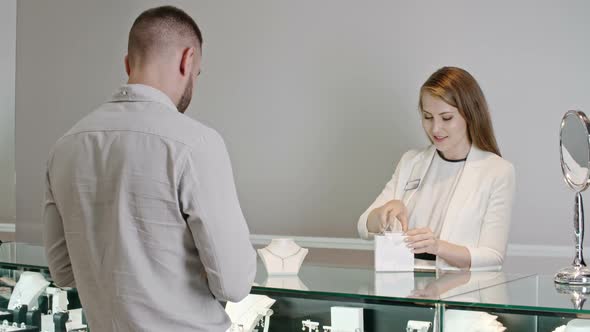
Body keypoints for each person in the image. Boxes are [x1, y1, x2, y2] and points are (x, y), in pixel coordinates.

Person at [43, 6, 256, 331]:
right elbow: (235, 284)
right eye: (196, 74)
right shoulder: (196, 144)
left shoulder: (65, 147)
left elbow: (63, 272)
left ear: (128, 64)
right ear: (188, 60)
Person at [358, 66, 515, 270]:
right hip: (401, 291)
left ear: (470, 115)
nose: (435, 129)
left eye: (446, 118)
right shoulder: (411, 161)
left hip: (459, 295)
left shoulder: (497, 171)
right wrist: (382, 214)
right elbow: (363, 225)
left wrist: (437, 246)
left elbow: (492, 256)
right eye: (427, 117)